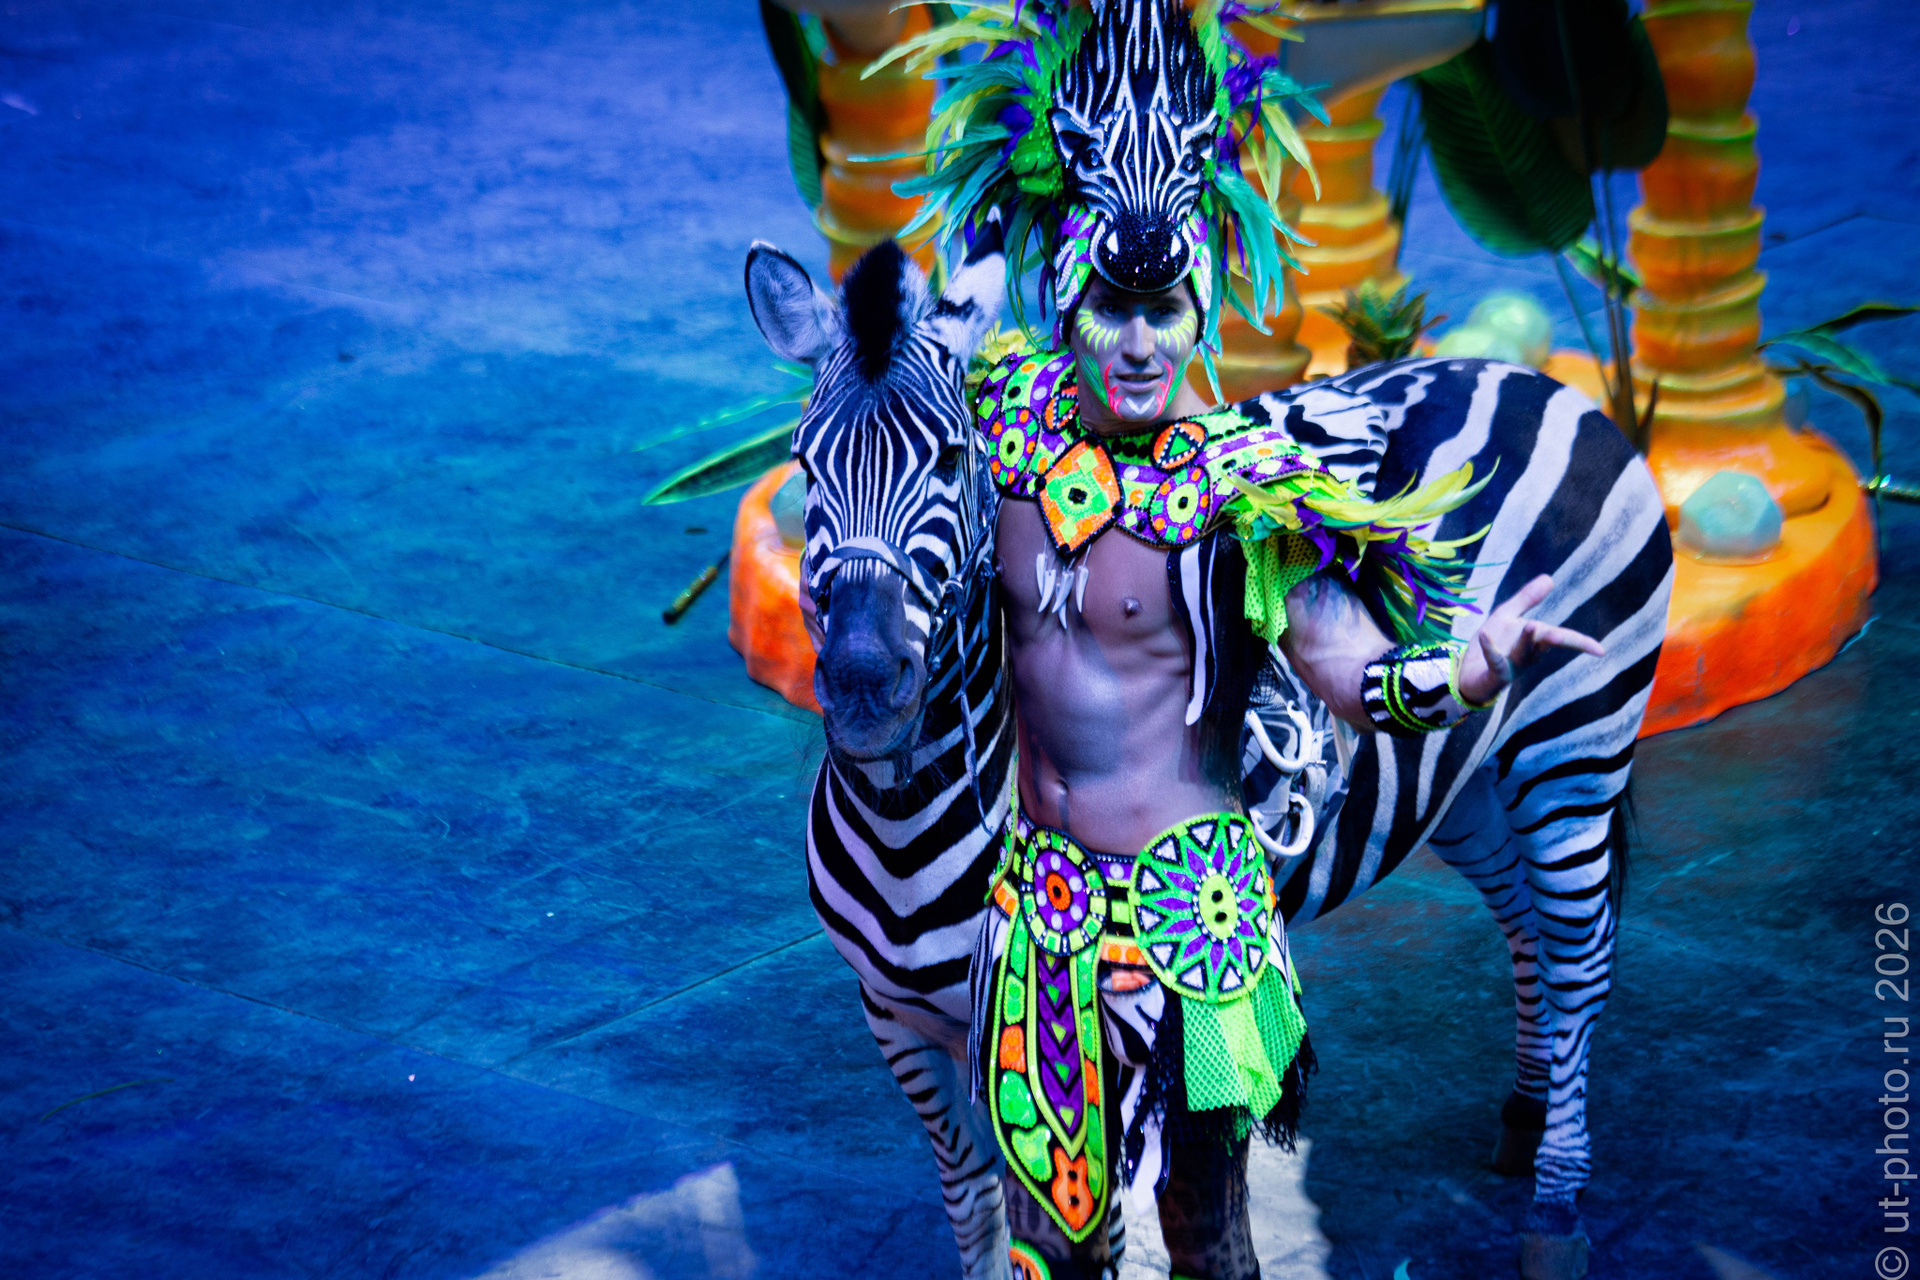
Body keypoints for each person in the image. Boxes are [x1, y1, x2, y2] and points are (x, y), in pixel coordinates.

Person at [891, 3, 1604, 1276]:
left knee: (1208, 1229)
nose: (1141, 341)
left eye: (1167, 311)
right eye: (1114, 308)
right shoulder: (998, 426)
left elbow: (1352, 674)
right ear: (1069, 297)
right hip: (1045, 911)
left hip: (1200, 919)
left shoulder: (1244, 488)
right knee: (1050, 1236)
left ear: (1203, 307)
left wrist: (1471, 665)